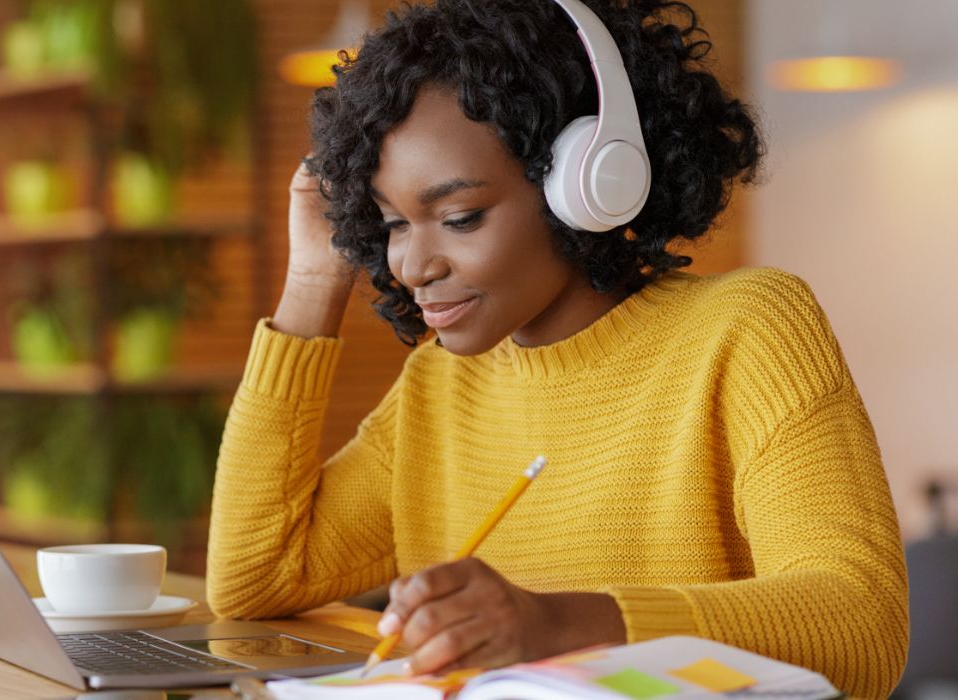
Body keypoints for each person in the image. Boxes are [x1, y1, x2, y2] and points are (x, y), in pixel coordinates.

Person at [204, 1, 908, 697]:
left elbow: (862, 625)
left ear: (588, 181)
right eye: (390, 224)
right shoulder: (439, 386)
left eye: (458, 217)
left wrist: (559, 623)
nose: (412, 265)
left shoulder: (747, 331)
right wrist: (312, 278)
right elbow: (253, 578)